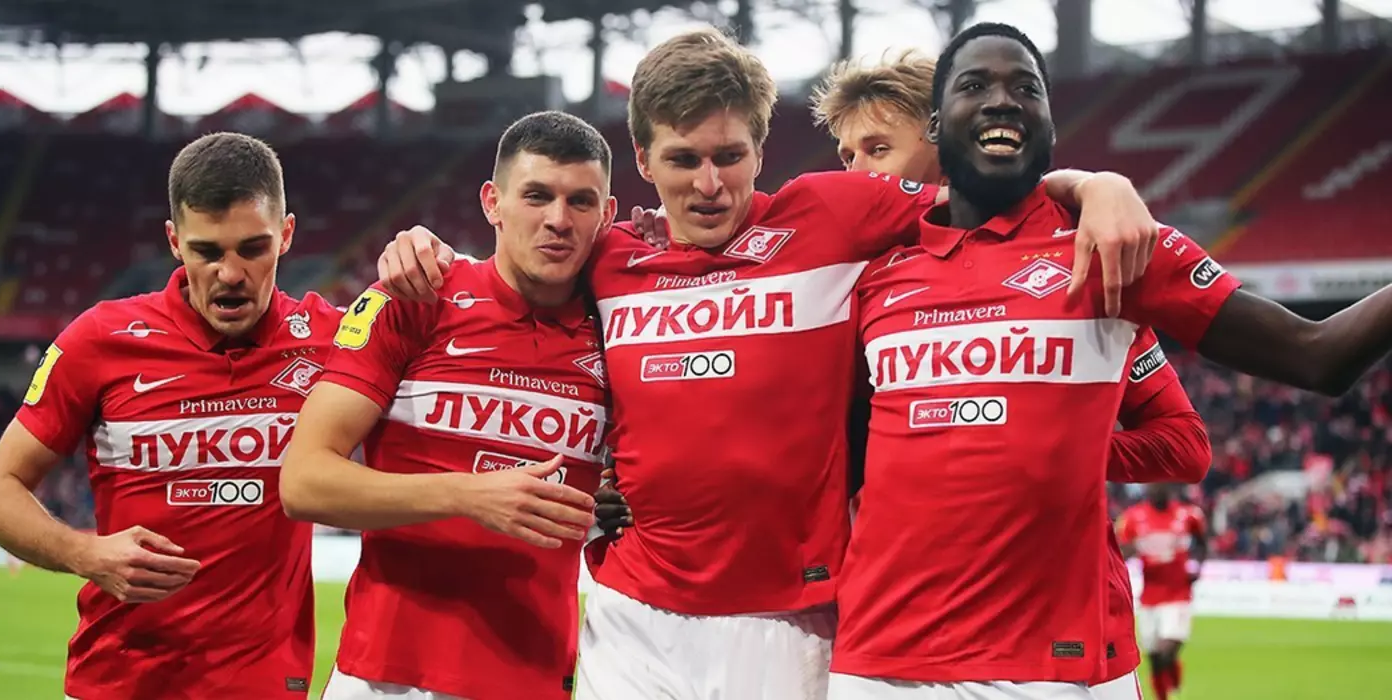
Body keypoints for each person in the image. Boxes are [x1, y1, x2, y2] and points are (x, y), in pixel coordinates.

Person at [377, 27, 1162, 700]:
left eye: (730, 156)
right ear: (643, 159)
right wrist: (424, 249)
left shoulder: (835, 213)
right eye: (683, 159)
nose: (709, 185)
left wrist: (1098, 185)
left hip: (795, 624)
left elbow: (993, 196)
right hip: (632, 618)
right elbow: (514, 262)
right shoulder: (608, 255)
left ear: (762, 148)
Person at [830, 21, 1392, 700]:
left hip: (1057, 665)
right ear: (938, 123)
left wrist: (1069, 443)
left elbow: (1317, 356)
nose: (1002, 100)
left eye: (1026, 88)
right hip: (880, 663)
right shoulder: (864, 275)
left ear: (1051, 125)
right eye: (974, 85)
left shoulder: (1107, 245)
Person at [0, 132, 469, 700]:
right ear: (174, 241)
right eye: (208, 252)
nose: (231, 273)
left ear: (286, 234)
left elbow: (466, 349)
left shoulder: (334, 340)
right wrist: (84, 552)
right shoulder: (99, 340)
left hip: (264, 683)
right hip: (119, 680)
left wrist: (437, 258)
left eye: (252, 248)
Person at [808, 50, 1211, 700]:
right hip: (887, 640)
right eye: (846, 156)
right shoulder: (854, 280)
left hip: (1060, 644)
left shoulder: (1075, 258)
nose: (856, 174)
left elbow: (1184, 443)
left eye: (877, 149)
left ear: (946, 137)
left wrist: (1055, 442)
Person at [279, 111, 611, 700]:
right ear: (492, 202)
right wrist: (466, 495)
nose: (558, 220)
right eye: (536, 195)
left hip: (531, 678)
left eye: (580, 201)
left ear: (607, 215)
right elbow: (303, 482)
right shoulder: (414, 298)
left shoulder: (620, 329)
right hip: (385, 679)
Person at [1117, 485, 1208, 700]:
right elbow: (1122, 551)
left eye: (1162, 484)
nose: (1157, 489)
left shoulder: (1187, 514)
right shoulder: (1133, 517)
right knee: (1155, 656)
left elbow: (1202, 542)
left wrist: (1197, 567)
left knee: (1166, 648)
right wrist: (1133, 549)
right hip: (1149, 597)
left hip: (1178, 594)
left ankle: (1172, 684)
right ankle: (1164, 694)